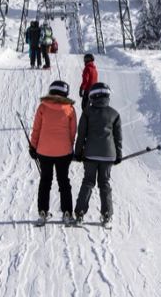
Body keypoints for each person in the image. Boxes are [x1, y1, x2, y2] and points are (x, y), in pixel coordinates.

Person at [73, 82, 121, 228]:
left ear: (92, 97)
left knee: (88, 182)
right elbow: (118, 137)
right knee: (104, 183)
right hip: (108, 156)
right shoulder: (114, 113)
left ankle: (80, 213)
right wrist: (118, 155)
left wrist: (78, 153)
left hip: (90, 155)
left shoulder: (87, 112)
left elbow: (81, 135)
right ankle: (107, 215)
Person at [29, 80, 77, 226]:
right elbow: (72, 131)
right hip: (63, 152)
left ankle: (43, 212)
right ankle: (67, 213)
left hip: (44, 151)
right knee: (64, 182)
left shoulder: (42, 107)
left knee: (45, 181)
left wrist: (33, 146)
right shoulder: (69, 109)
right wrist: (69, 147)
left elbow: (36, 128)